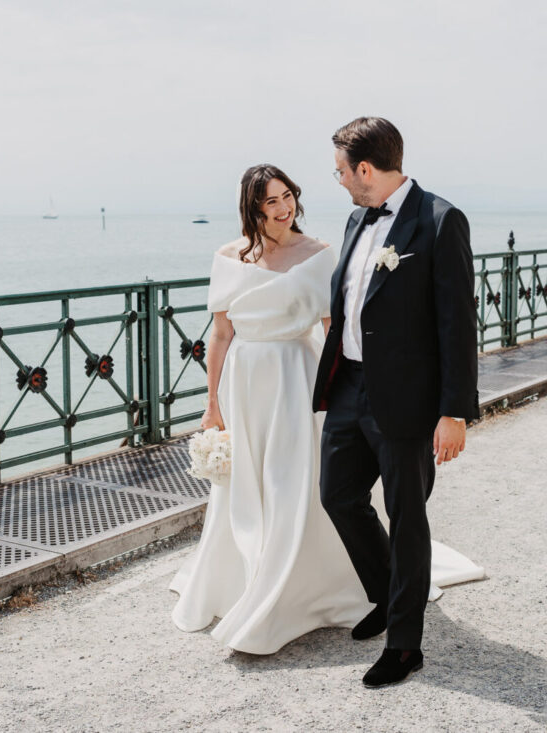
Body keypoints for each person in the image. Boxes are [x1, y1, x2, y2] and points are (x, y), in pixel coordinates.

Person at [169, 164, 483, 658]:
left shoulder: (319, 254)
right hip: (245, 382)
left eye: (287, 195)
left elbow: (344, 325)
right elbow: (221, 335)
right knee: (262, 485)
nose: (283, 206)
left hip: (296, 376)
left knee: (301, 485)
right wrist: (212, 403)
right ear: (252, 208)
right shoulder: (228, 257)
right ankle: (249, 577)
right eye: (270, 201)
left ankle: (308, 590)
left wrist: (388, 393)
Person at [314, 117, 480, 688]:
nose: (337, 180)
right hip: (348, 387)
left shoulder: (439, 220)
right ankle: (388, 595)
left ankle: (406, 645)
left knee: (407, 516)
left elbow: (458, 324)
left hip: (409, 401)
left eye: (340, 171)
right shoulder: (357, 217)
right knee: (337, 496)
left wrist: (454, 411)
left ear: (365, 169)